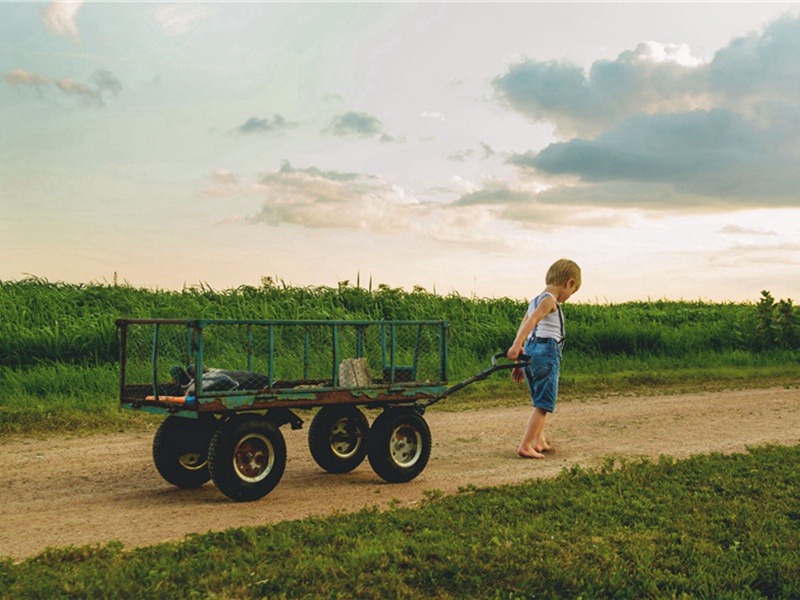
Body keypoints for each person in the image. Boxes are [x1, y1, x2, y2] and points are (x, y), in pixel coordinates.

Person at [507, 259, 581, 458]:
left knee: (539, 399)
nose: (567, 298)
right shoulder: (549, 301)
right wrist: (516, 346)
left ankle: (539, 441)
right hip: (546, 352)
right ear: (569, 283)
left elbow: (525, 327)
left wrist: (518, 362)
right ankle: (526, 445)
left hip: (531, 350)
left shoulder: (534, 301)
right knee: (543, 403)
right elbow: (532, 321)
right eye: (571, 293)